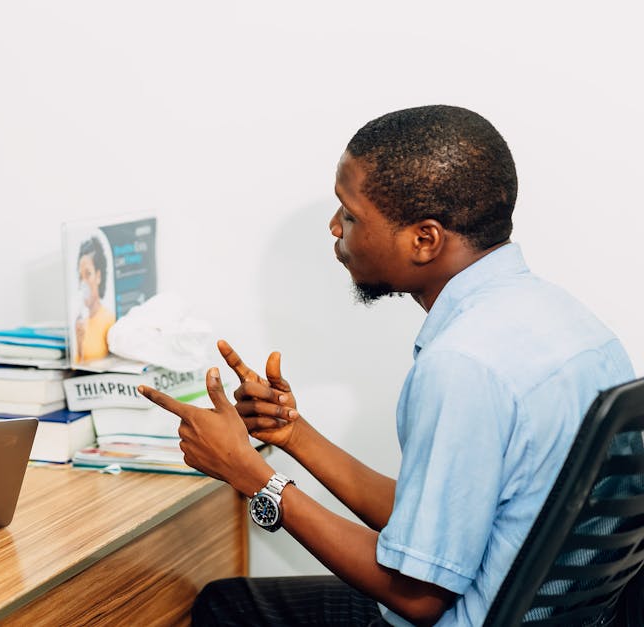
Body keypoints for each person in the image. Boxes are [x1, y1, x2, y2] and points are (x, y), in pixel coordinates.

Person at [140, 105, 633, 626]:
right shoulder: (572, 323)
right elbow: (436, 528)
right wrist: (293, 435)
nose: (334, 227)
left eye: (350, 215)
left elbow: (418, 597)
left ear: (425, 239)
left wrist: (253, 476)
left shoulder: (462, 365)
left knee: (226, 608)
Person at [74, 235, 115, 363]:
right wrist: (79, 344)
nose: (83, 283)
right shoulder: (81, 325)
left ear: (98, 276)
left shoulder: (109, 319)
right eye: (81, 276)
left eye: (88, 274)